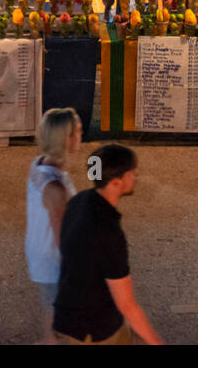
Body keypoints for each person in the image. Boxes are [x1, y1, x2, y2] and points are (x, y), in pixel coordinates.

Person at [52, 143, 162, 345]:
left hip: (66, 316)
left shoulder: (79, 201)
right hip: (92, 333)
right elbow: (127, 306)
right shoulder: (109, 234)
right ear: (117, 181)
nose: (135, 176)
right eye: (131, 172)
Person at [25, 108, 83, 343]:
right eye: (77, 131)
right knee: (59, 323)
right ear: (65, 138)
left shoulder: (39, 164)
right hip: (53, 262)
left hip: (41, 252)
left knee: (56, 317)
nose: (81, 135)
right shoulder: (55, 186)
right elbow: (63, 236)